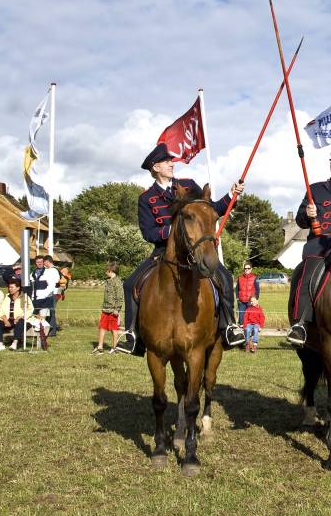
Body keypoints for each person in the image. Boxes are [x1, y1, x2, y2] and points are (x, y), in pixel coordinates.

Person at [120, 142, 246, 356]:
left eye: (171, 160)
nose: (171, 164)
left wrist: (230, 196)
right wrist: (173, 231)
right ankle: (133, 334)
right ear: (155, 167)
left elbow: (211, 209)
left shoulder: (189, 185)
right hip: (163, 253)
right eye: (166, 161)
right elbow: (148, 232)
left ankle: (229, 326)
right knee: (130, 283)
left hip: (194, 251)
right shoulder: (146, 198)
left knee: (224, 276)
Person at [286, 144, 331, 346]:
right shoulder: (315, 189)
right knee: (307, 272)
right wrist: (307, 215)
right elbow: (300, 221)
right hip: (320, 245)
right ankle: (300, 324)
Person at [94, 262, 123, 355]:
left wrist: (117, 309)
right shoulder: (108, 281)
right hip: (105, 309)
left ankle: (114, 348)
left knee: (114, 329)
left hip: (113, 310)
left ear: (111, 270)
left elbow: (120, 297)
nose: (105, 272)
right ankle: (100, 347)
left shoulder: (117, 282)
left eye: (107, 270)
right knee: (102, 327)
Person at [32, 255, 61, 337]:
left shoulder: (53, 270)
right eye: (38, 262)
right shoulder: (35, 272)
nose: (42, 264)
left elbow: (56, 282)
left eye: (43, 262)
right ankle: (45, 328)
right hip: (39, 295)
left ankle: (52, 330)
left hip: (52, 294)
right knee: (44, 312)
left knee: (51, 312)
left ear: (47, 262)